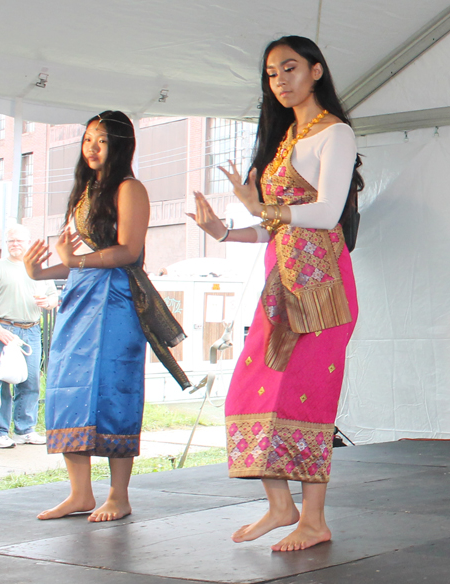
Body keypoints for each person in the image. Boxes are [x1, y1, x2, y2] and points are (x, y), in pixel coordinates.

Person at [187, 35, 362, 552]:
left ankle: (314, 519)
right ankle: (280, 504)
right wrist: (224, 231)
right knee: (248, 387)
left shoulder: (336, 134)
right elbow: (275, 228)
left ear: (316, 70)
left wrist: (263, 207)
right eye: (270, 73)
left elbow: (326, 214)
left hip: (323, 286)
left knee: (308, 394)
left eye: (289, 68)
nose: (279, 80)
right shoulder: (286, 139)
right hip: (280, 283)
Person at [23, 111, 188, 523]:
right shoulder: (84, 192)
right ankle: (80, 494)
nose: (93, 148)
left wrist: (75, 261)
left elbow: (128, 251)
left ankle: (119, 495)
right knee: (68, 387)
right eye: (88, 140)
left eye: (102, 140)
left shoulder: (129, 188)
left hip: (115, 298)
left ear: (121, 145)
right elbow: (75, 261)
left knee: (113, 389)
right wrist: (41, 272)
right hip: (79, 300)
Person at [0, 223, 58, 448]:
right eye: (11, 240)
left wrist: (47, 302)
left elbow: (53, 298)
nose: (14, 244)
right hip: (5, 329)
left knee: (31, 381)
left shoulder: (38, 268)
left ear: (28, 243)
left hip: (31, 330)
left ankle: (25, 430)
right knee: (2, 380)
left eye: (19, 241)